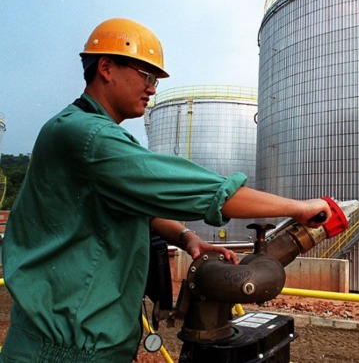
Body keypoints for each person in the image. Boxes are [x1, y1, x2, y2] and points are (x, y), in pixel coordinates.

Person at [0, 18, 332, 362]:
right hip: (66, 352)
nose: (152, 89)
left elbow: (141, 209)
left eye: (155, 80)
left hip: (79, 344)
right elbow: (198, 189)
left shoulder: (87, 132)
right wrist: (299, 207)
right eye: (147, 76)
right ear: (106, 67)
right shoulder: (88, 137)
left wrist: (188, 238)